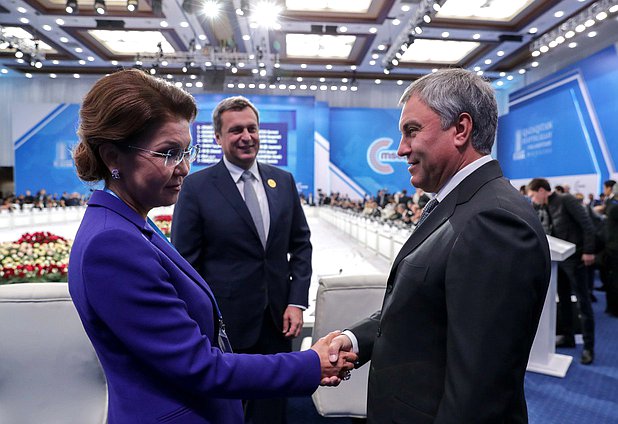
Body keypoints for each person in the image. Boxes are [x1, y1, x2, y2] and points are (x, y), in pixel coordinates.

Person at [68, 69, 356, 424]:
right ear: (113, 157)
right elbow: (199, 366)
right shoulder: (112, 244)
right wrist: (311, 362)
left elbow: (299, 245)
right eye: (168, 153)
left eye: (187, 151)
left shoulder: (132, 224)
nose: (184, 168)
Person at [327, 68, 551, 423]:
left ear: (460, 129)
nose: (401, 149)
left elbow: (478, 391)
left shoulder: (493, 221)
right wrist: (355, 340)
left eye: (412, 131)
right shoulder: (461, 205)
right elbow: (426, 308)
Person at [171, 95, 312, 424]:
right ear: (218, 137)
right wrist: (198, 321)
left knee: (273, 407)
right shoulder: (196, 187)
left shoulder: (283, 181)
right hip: (225, 324)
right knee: (230, 410)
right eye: (236, 130)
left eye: (252, 128)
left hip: (277, 319)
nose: (246, 136)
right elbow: (185, 264)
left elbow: (300, 245)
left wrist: (296, 301)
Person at [527, 178, 596, 365]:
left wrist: (589, 251)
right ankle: (568, 336)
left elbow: (587, 226)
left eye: (533, 195)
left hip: (576, 261)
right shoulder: (542, 208)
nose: (532, 199)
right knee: (563, 300)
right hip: (558, 262)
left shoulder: (566, 200)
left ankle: (589, 347)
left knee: (583, 303)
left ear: (542, 190)